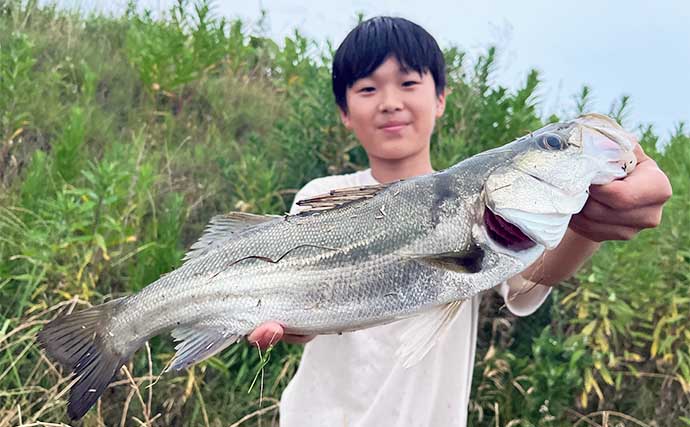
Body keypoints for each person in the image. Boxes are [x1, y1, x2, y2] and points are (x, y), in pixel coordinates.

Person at [248, 16, 672, 427]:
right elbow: (293, 307)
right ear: (344, 111)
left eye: (409, 83)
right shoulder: (319, 198)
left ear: (440, 98)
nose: (390, 101)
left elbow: (529, 278)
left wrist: (587, 223)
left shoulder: (490, 209)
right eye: (367, 88)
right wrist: (294, 322)